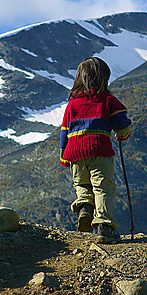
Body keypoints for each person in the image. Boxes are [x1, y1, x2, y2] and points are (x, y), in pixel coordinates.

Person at [59, 57, 131, 244]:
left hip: (73, 152)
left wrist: (63, 155)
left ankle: (84, 208)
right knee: (102, 187)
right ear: (104, 79)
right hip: (99, 149)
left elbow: (64, 132)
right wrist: (123, 134)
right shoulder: (108, 100)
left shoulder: (72, 104)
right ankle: (104, 226)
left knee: (82, 185)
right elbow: (122, 123)